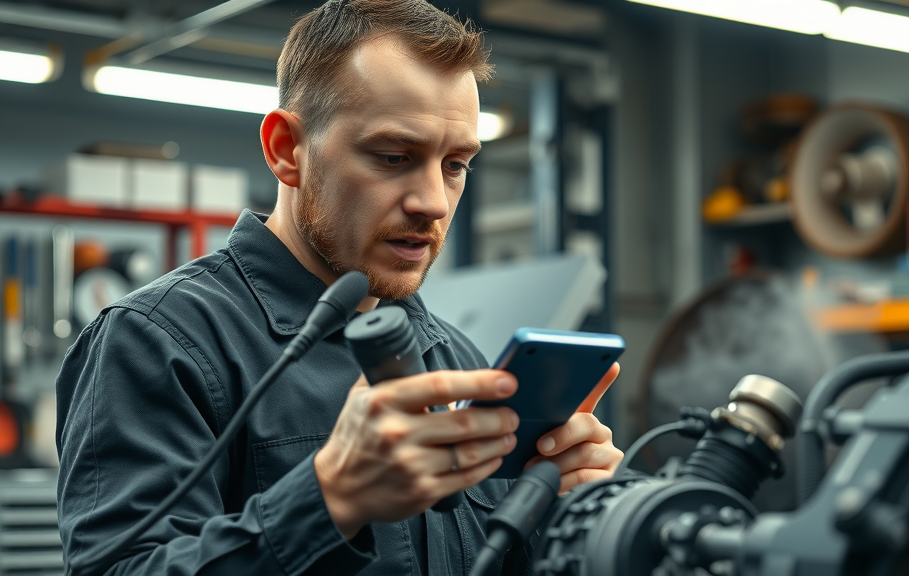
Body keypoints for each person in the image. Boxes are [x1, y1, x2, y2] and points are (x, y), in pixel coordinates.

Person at [55, 1, 623, 574]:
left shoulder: (453, 357)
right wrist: (329, 499)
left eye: (454, 165)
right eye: (394, 156)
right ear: (286, 150)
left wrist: (563, 519)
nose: (431, 201)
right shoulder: (155, 344)